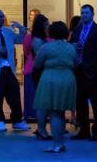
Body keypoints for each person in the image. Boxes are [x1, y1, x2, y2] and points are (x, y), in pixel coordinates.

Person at [33, 21, 77, 154]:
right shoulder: (71, 47)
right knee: (61, 112)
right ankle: (61, 142)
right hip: (68, 78)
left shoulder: (46, 47)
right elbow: (76, 62)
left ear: (51, 32)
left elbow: (37, 64)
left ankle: (57, 144)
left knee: (54, 113)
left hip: (51, 78)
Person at [70, 4, 97, 141]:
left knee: (96, 103)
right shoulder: (77, 30)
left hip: (93, 71)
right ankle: (84, 130)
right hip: (79, 71)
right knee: (80, 102)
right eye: (82, 13)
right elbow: (72, 45)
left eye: (86, 13)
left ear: (93, 14)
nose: (84, 15)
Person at [22, 13, 48, 138]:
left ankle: (40, 128)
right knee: (41, 102)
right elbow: (39, 57)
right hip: (39, 71)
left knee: (41, 101)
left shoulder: (38, 38)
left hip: (37, 70)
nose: (48, 27)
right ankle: (41, 129)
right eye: (46, 24)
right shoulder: (37, 40)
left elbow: (27, 52)